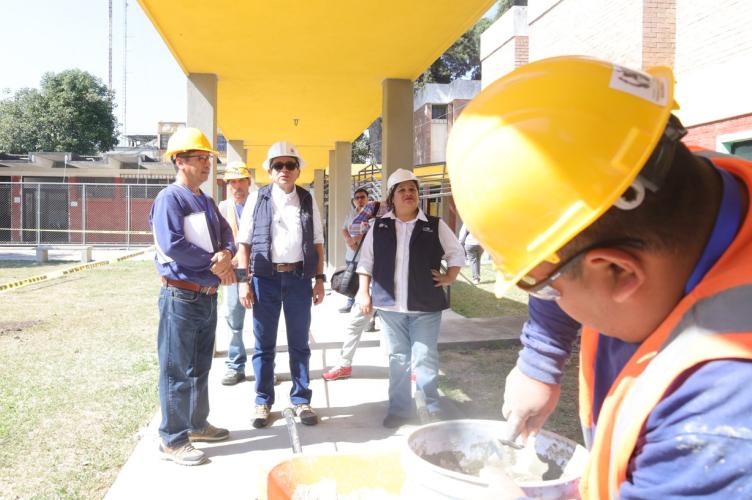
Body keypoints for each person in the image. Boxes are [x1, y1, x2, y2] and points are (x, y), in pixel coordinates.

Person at [446, 56, 752, 498]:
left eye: (546, 286)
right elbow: (571, 231)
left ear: (618, 271)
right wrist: (540, 360)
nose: (549, 298)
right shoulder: (664, 170)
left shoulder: (719, 429)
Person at [149, 127, 237, 466]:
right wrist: (214, 264)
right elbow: (173, 245)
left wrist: (226, 254)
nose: (207, 164)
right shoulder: (170, 199)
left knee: (200, 367)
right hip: (181, 297)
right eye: (200, 158)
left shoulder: (204, 198)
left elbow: (226, 233)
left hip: (205, 296)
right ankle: (172, 439)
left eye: (208, 159)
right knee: (176, 370)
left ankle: (197, 424)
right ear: (179, 160)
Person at [356, 169, 465, 428]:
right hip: (389, 307)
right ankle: (399, 410)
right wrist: (363, 291)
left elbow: (456, 253)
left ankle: (431, 407)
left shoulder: (434, 225)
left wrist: (449, 277)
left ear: (419, 195)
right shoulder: (378, 226)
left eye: (412, 190)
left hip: (425, 306)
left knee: (425, 357)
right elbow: (366, 261)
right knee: (398, 358)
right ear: (392, 197)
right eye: (402, 190)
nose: (408, 194)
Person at [235, 141, 326, 428]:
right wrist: (242, 282)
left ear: (298, 170)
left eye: (290, 165)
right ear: (270, 171)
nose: (284, 170)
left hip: (299, 279)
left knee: (300, 343)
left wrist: (320, 279)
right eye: (278, 165)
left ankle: (301, 400)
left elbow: (318, 243)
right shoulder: (257, 199)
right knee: (264, 345)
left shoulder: (307, 199)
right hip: (265, 279)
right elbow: (244, 243)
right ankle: (263, 401)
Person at [322, 195, 385, 381]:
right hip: (372, 284)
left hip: (392, 288)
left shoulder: (404, 227)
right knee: (354, 325)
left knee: (396, 331)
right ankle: (344, 365)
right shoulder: (372, 220)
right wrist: (364, 292)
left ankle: (410, 369)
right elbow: (366, 261)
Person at [217, 161, 253, 386]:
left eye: (240, 180)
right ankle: (235, 366)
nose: (236, 185)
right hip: (233, 273)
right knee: (233, 320)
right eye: (232, 181)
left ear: (248, 182)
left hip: (258, 271)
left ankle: (265, 366)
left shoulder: (260, 204)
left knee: (263, 322)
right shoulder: (222, 208)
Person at [338, 188, 370, 313]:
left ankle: (369, 308)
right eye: (357, 198)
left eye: (362, 197)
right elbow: (343, 228)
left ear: (368, 198)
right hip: (351, 255)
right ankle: (350, 303)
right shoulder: (351, 213)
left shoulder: (372, 213)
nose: (360, 200)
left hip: (367, 256)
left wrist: (356, 239)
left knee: (368, 281)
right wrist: (348, 240)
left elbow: (373, 231)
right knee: (351, 279)